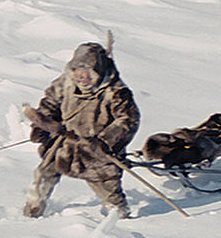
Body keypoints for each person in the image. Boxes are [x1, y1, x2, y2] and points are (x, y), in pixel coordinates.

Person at [20, 41, 140, 218]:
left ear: (98, 70)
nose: (82, 76)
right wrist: (42, 126)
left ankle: (121, 220)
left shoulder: (116, 91)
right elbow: (50, 103)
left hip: (98, 151)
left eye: (88, 71)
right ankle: (31, 213)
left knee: (109, 192)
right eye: (77, 70)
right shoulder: (65, 83)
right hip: (64, 144)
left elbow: (128, 120)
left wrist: (104, 142)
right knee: (43, 174)